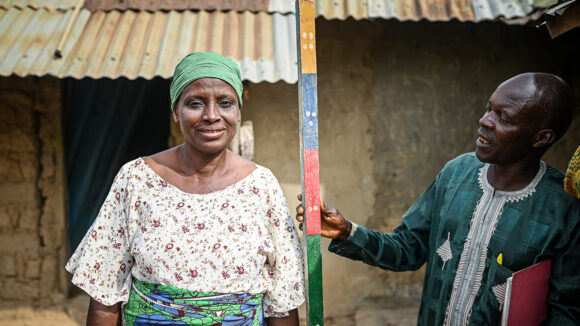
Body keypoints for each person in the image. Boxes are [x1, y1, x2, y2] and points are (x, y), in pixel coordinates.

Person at [296, 72, 580, 325]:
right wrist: (348, 232)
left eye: (503, 118)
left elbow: (567, 312)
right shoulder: (455, 174)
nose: (484, 121)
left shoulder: (565, 208)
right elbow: (409, 249)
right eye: (488, 109)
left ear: (541, 138)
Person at [66, 52, 305, 326]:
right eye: (195, 103)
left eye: (225, 103)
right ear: (175, 112)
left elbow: (282, 302)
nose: (212, 115)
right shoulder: (136, 179)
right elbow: (104, 295)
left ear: (238, 112)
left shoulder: (261, 186)